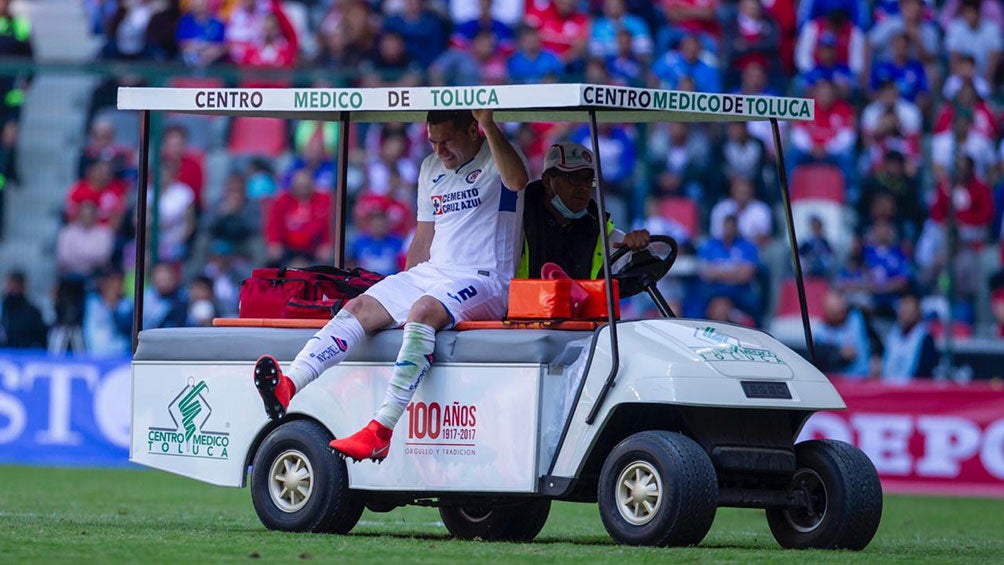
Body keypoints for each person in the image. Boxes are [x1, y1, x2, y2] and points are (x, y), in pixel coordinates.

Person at [253, 110, 529, 462]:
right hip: (434, 272)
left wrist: (491, 124)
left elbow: (519, 182)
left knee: (423, 310)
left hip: (486, 277)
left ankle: (381, 430)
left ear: (474, 130)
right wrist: (403, 284)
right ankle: (288, 385)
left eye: (447, 142)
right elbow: (424, 236)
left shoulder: (501, 155)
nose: (440, 151)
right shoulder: (430, 168)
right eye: (433, 141)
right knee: (359, 306)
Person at [516, 141, 650, 280]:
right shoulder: (518, 220)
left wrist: (638, 249)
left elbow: (640, 269)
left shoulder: (598, 228)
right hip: (522, 302)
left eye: (589, 180)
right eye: (574, 178)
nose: (585, 187)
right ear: (547, 181)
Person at [881, 292, 938, 381]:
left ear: (918, 313)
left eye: (909, 310)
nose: (904, 313)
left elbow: (924, 374)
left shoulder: (925, 339)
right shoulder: (893, 336)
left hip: (913, 390)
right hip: (888, 388)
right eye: (902, 309)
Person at [0, 270, 47, 349]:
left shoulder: (32, 312)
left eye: (16, 285)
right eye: (10, 284)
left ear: (23, 287)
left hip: (25, 355)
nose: (12, 288)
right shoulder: (3, 308)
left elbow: (41, 338)